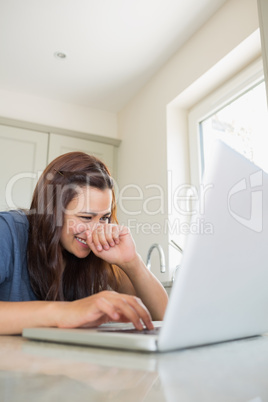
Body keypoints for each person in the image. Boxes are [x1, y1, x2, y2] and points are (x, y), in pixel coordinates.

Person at [0, 152, 168, 335]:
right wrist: (67, 312)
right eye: (86, 217)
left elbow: (165, 318)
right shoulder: (8, 231)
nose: (96, 230)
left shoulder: (99, 249)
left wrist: (132, 262)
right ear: (52, 212)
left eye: (104, 217)